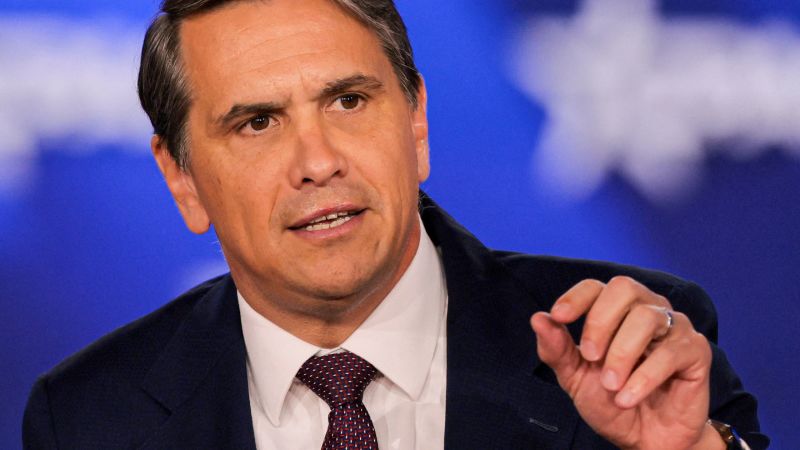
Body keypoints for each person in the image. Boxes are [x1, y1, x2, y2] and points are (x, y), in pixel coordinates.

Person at [23, 0, 766, 448]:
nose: (318, 162)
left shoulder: (629, 349)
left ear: (416, 122)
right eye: (257, 123)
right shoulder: (89, 417)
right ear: (182, 177)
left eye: (348, 101)